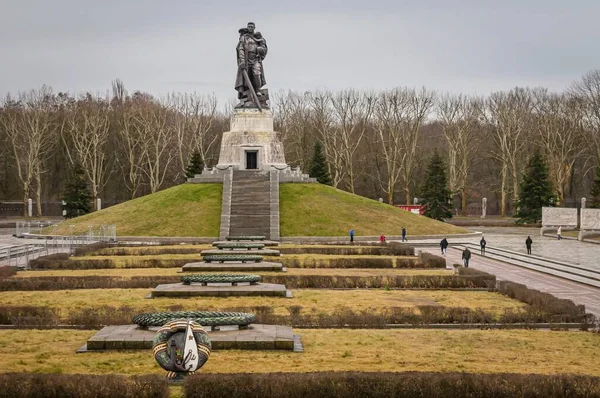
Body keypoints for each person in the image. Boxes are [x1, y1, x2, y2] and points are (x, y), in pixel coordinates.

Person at [235, 22, 268, 108]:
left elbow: (264, 48)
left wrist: (260, 49)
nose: (250, 27)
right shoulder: (244, 38)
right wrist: (242, 60)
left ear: (254, 27)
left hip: (255, 59)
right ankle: (248, 96)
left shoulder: (258, 38)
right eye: (248, 26)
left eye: (251, 26)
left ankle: (257, 90)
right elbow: (241, 48)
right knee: (247, 79)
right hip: (246, 61)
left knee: (257, 74)